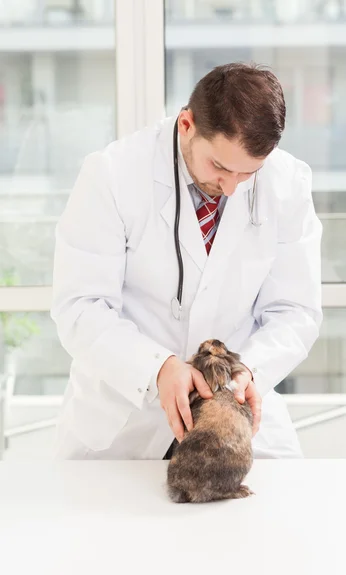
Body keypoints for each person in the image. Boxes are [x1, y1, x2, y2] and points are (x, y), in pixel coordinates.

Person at [51, 63, 322, 460]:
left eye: (249, 173)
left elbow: (294, 311)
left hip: (231, 408)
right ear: (186, 125)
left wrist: (249, 372)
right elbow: (80, 307)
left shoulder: (288, 183)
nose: (231, 187)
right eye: (220, 166)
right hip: (124, 418)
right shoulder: (112, 174)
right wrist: (158, 368)